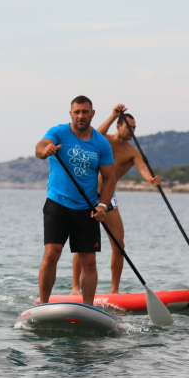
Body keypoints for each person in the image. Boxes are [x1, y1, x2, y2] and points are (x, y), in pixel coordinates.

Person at [71, 103, 162, 295]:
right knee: (83, 242)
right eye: (129, 127)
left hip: (108, 198)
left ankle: (114, 291)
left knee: (119, 244)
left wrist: (150, 179)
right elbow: (93, 133)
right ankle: (75, 288)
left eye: (135, 128)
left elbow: (143, 168)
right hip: (87, 196)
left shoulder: (132, 151)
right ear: (118, 127)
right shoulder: (104, 141)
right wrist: (113, 115)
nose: (132, 131)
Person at [35, 96, 115, 306]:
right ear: (71, 113)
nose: (81, 116)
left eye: (85, 112)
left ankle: (88, 308)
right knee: (52, 253)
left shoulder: (101, 143)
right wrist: (46, 150)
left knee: (88, 261)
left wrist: (103, 205)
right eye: (77, 112)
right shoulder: (59, 132)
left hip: (86, 209)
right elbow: (40, 146)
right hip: (57, 204)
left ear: (92, 113)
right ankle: (43, 304)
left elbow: (109, 178)